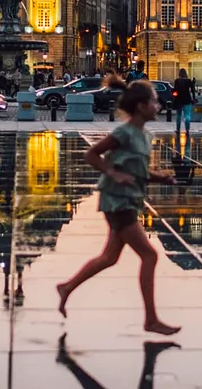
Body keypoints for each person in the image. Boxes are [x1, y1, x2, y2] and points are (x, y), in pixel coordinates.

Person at [56, 76, 180, 336]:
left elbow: (138, 170)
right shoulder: (123, 132)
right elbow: (91, 154)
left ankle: (67, 287)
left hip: (129, 199)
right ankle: (151, 320)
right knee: (149, 255)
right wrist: (112, 173)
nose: (158, 107)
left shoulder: (144, 135)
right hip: (117, 201)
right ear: (141, 106)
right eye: (154, 102)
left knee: (109, 257)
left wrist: (161, 178)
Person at [172, 68, 197, 134]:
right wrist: (194, 98)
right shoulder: (188, 81)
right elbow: (192, 90)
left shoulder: (177, 80)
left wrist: (174, 96)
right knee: (187, 115)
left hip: (179, 99)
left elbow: (175, 91)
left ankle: (178, 129)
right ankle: (187, 129)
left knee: (178, 115)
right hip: (187, 99)